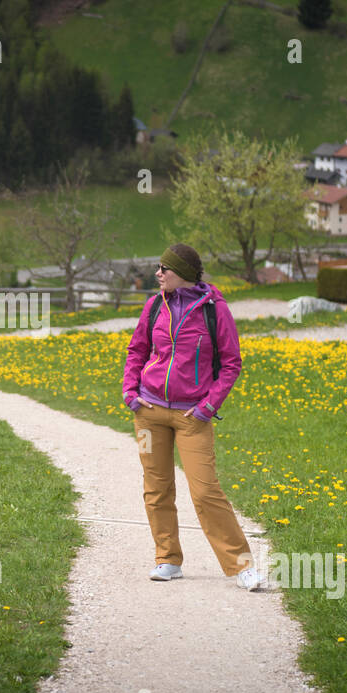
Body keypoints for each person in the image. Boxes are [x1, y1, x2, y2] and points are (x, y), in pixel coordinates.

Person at [121, 243, 263, 589]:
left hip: (192, 417)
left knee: (205, 491)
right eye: (158, 267)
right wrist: (130, 390)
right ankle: (167, 559)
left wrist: (208, 407)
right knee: (156, 488)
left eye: (164, 269)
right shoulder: (155, 305)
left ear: (181, 273)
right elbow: (137, 348)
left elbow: (231, 364)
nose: (158, 274)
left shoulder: (215, 310)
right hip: (149, 412)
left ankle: (242, 566)